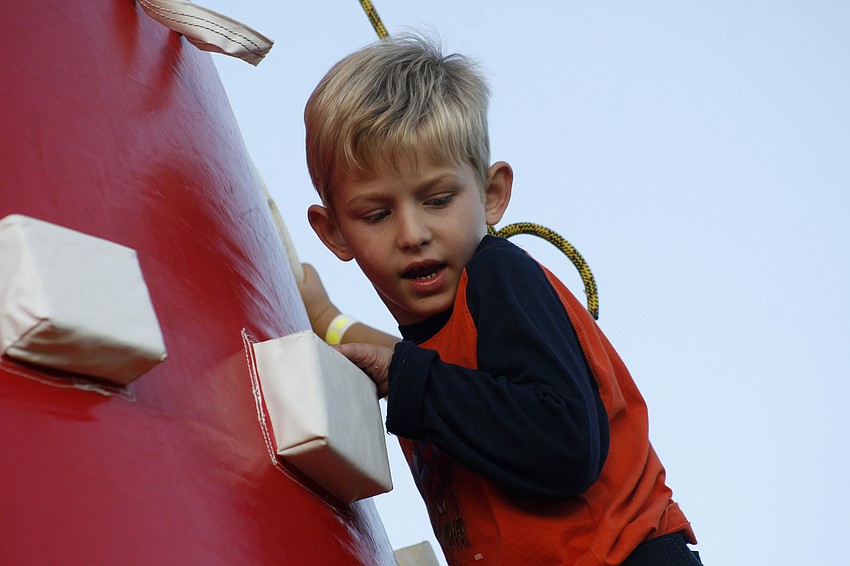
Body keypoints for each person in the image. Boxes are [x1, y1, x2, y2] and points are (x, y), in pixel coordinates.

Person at [297, 33, 700, 565]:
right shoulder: (438, 339)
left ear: (490, 196)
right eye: (377, 214)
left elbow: (565, 444)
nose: (412, 232)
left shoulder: (498, 277)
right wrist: (325, 319)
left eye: (438, 200)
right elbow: (408, 361)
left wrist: (403, 377)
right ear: (334, 233)